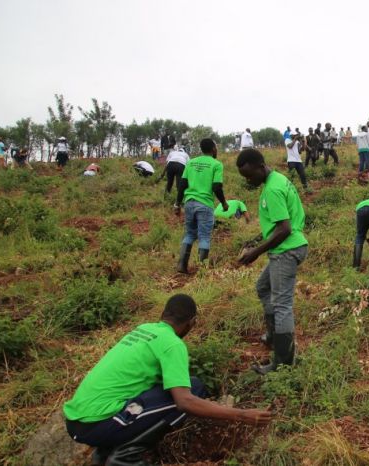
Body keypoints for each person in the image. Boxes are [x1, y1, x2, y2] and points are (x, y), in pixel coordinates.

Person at [63, 294, 272, 466]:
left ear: (163, 314)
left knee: (190, 385)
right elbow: (184, 402)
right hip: (95, 424)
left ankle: (104, 452)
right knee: (193, 391)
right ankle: (125, 457)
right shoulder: (172, 344)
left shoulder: (143, 329)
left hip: (76, 420)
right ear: (192, 322)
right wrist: (242, 415)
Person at [236, 149, 308, 374]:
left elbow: (284, 229)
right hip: (290, 246)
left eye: (250, 175)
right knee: (263, 287)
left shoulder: (272, 190)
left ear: (261, 166)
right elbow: (279, 223)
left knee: (282, 305)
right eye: (245, 177)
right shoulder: (278, 179)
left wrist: (256, 252)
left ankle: (283, 363)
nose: (249, 181)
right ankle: (273, 335)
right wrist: (257, 240)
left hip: (286, 250)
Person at [175, 138, 228, 273]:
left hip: (189, 203)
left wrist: (177, 204)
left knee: (189, 234)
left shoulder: (191, 162)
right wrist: (223, 203)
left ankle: (181, 265)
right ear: (213, 149)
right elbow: (216, 187)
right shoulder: (216, 164)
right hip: (205, 204)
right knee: (204, 236)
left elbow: (182, 185)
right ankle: (202, 271)